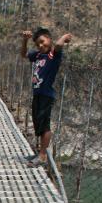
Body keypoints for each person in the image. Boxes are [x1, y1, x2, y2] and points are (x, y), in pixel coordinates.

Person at [20, 27, 72, 167]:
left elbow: (59, 46)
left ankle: (42, 155)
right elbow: (23, 54)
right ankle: (39, 153)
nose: (41, 45)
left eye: (42, 42)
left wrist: (63, 38)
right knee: (38, 124)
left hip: (46, 95)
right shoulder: (37, 55)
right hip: (37, 94)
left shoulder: (53, 56)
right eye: (37, 44)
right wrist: (25, 40)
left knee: (44, 126)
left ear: (49, 39)